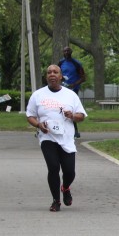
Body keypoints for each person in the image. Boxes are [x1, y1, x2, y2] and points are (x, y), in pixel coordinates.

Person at [26, 64, 87, 212]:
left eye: (55, 72)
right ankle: (56, 201)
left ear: (60, 76)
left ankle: (65, 187)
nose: (52, 74)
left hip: (66, 139)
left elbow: (81, 116)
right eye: (49, 72)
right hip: (47, 137)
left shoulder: (70, 95)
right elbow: (30, 116)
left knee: (70, 172)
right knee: (53, 168)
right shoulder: (38, 95)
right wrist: (39, 125)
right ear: (46, 77)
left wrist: (72, 115)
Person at [58, 46, 87, 138]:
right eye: (65, 51)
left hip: (73, 90)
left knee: (71, 109)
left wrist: (73, 84)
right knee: (60, 108)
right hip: (62, 88)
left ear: (71, 52)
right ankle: (61, 129)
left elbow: (83, 78)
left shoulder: (76, 63)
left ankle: (75, 131)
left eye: (68, 51)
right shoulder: (61, 62)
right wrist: (62, 79)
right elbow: (58, 74)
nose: (66, 53)